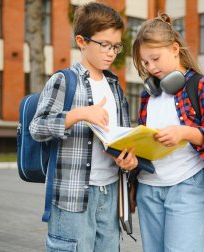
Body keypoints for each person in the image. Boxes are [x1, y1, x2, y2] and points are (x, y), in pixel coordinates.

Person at [30, 2, 137, 251]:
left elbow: (119, 138)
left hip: (110, 192)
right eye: (105, 45)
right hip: (72, 196)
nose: (112, 52)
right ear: (82, 41)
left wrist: (129, 160)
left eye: (116, 46)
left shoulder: (115, 87)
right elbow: (37, 127)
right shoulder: (63, 81)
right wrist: (79, 114)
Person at [132, 13, 204, 252]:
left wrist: (185, 133)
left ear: (174, 49)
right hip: (148, 188)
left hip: (188, 185)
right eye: (145, 63)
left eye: (155, 58)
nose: (151, 67)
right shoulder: (147, 95)